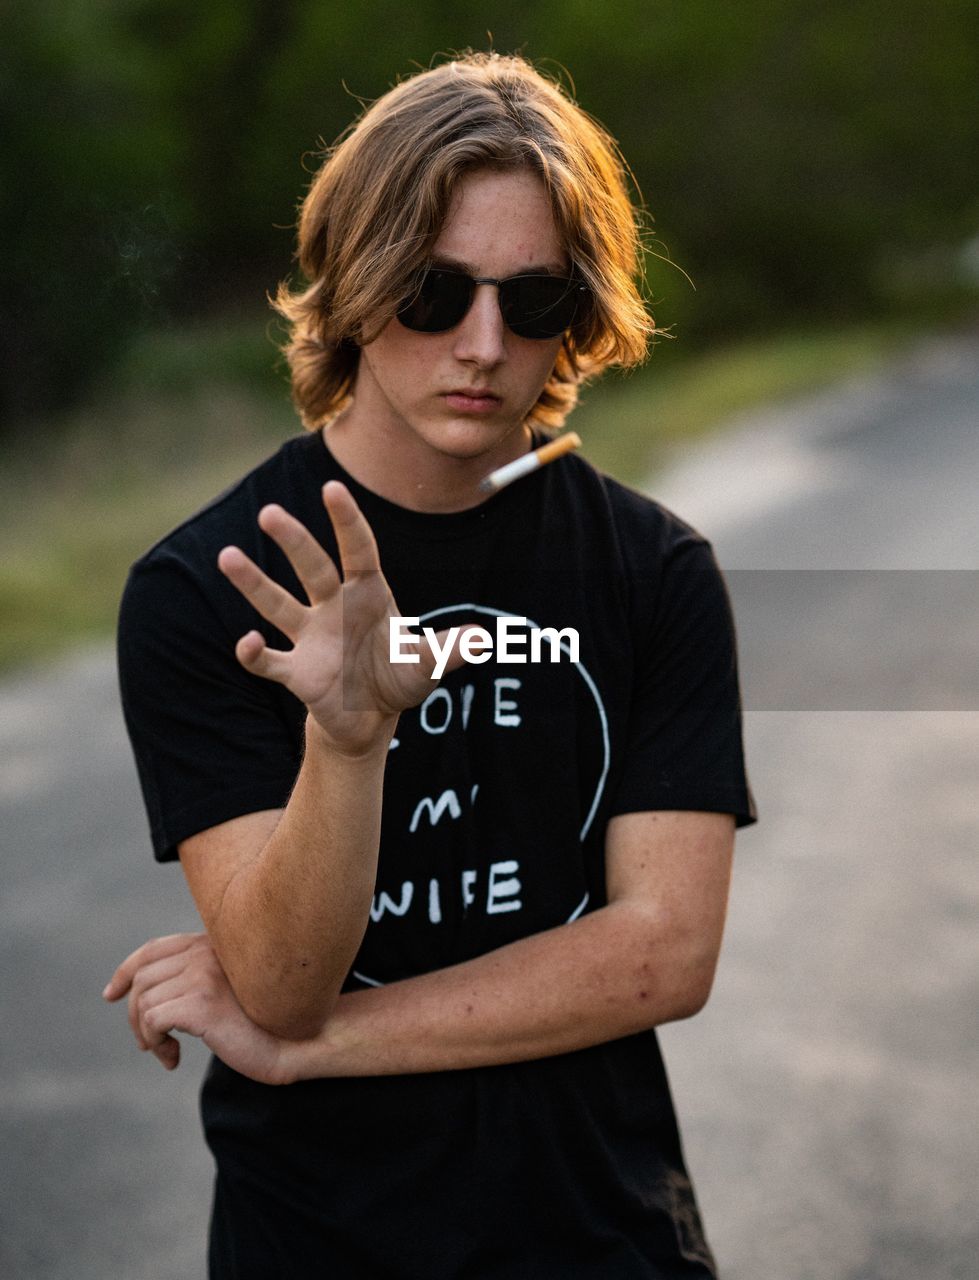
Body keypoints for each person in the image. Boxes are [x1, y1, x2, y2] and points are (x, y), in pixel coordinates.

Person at [105, 51, 756, 1279]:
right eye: (433, 290)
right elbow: (281, 981)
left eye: (537, 297)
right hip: (319, 1238)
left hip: (597, 1233)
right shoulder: (208, 585)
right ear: (352, 285)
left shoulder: (652, 567)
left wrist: (318, 1044)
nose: (484, 341)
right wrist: (345, 745)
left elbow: (663, 954)